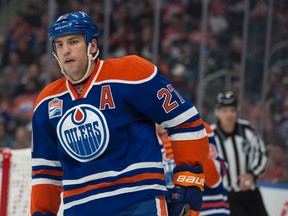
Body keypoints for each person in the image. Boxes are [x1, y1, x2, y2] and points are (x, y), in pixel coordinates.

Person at [30, 11, 209, 216]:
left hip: (139, 203)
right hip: (80, 209)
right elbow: (46, 171)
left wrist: (188, 182)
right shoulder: (46, 102)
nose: (66, 50)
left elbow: (184, 121)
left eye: (73, 41)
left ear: (93, 45)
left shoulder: (131, 74)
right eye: (59, 45)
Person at [210, 91, 268, 216]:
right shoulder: (211, 135)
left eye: (232, 110)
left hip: (251, 192)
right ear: (217, 112)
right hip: (226, 195)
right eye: (225, 111)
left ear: (237, 111)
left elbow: (262, 154)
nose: (229, 114)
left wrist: (252, 174)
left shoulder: (247, 129)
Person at [157, 122, 230, 216]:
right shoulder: (147, 138)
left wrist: (190, 152)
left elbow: (215, 178)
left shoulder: (199, 128)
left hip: (212, 210)